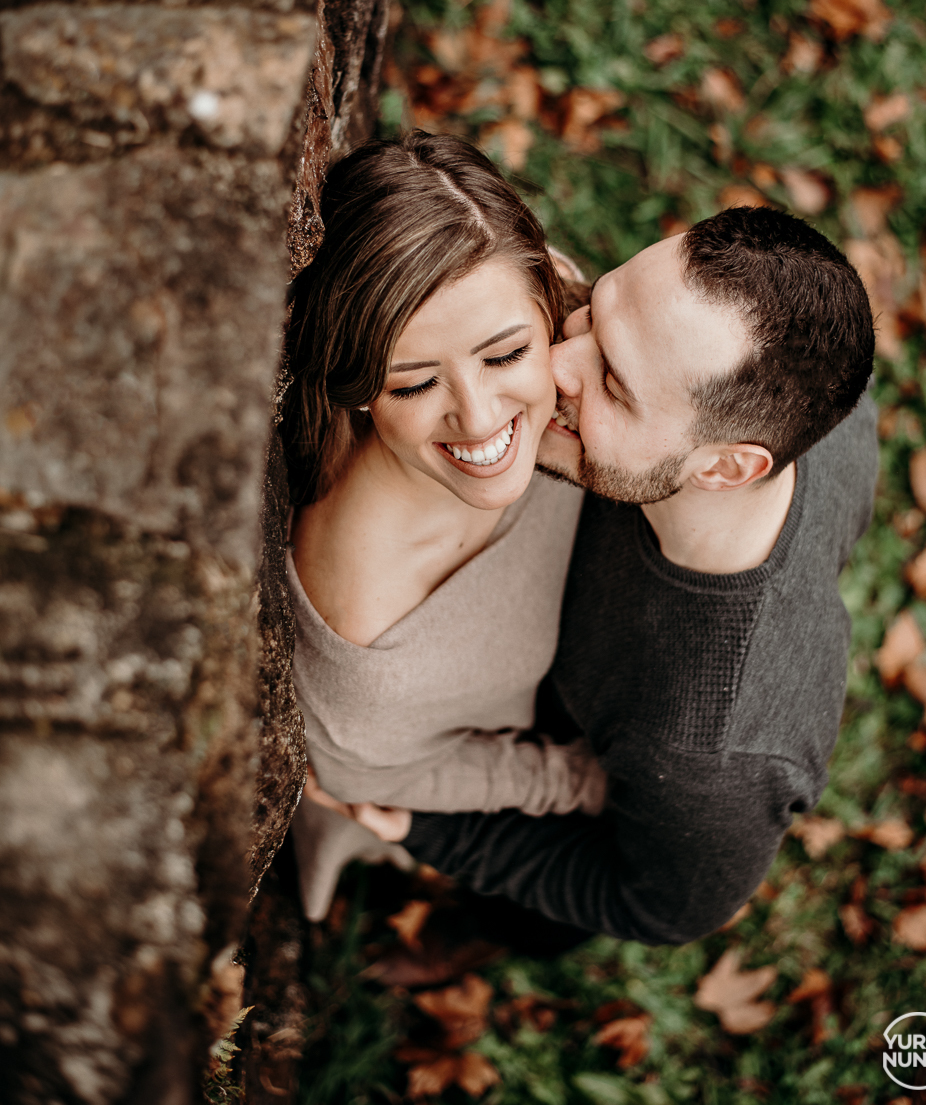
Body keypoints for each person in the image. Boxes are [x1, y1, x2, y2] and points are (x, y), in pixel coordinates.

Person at [363, 206, 879, 947]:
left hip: (563, 797)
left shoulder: (715, 756)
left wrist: (431, 833)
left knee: (523, 927)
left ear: (725, 467)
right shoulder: (821, 372)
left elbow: (653, 905)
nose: (553, 367)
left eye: (613, 381)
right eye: (595, 316)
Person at [278, 131, 606, 922]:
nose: (482, 416)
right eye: (416, 382)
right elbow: (374, 780)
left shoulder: (564, 332)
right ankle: (347, 848)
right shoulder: (370, 638)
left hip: (589, 648)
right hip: (494, 761)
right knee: (548, 930)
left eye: (505, 355)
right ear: (357, 388)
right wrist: (585, 783)